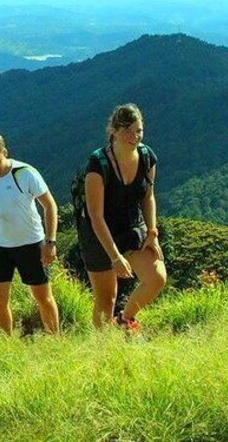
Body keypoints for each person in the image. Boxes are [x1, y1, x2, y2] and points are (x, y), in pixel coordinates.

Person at [81, 104, 167, 333]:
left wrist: (152, 233)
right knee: (106, 299)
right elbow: (95, 216)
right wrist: (115, 257)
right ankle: (103, 348)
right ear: (114, 131)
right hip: (99, 233)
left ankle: (124, 320)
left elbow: (148, 197)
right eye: (128, 131)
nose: (134, 137)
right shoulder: (98, 164)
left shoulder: (147, 157)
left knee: (157, 277)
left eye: (138, 130)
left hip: (130, 225)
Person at [0, 131, 60, 335]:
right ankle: (6, 346)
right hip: (0, 246)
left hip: (31, 244)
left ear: (5, 152)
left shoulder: (25, 173)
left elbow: (50, 206)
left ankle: (56, 341)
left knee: (43, 298)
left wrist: (50, 242)